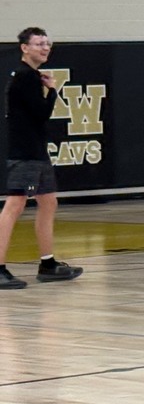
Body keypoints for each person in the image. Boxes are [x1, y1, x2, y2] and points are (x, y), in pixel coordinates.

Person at [0, 28, 83, 289]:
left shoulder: (31, 76)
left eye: (47, 43)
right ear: (24, 48)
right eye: (38, 44)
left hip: (36, 151)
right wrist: (53, 92)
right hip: (25, 152)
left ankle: (48, 263)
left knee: (48, 201)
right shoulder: (26, 77)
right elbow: (41, 114)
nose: (45, 48)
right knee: (15, 204)